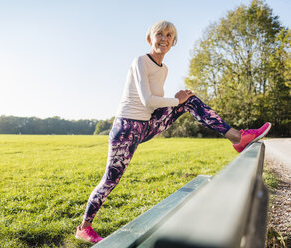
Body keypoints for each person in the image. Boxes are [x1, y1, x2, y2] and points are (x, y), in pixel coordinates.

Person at [75, 20, 271, 243]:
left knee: (190, 101)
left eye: (169, 36)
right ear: (150, 39)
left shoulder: (164, 68)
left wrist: (179, 101)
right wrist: (176, 100)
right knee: (110, 181)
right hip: (126, 129)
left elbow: (158, 105)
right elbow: (148, 100)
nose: (164, 39)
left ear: (172, 42)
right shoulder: (140, 61)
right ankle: (84, 227)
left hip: (146, 125)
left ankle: (237, 137)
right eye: (160, 34)